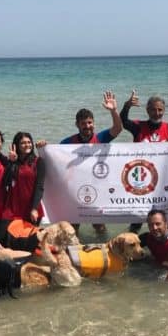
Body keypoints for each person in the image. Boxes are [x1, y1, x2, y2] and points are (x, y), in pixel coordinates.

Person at [60, 91, 122, 234]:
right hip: (75, 189)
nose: (87, 126)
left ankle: (104, 249)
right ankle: (73, 250)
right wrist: (43, 147)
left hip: (97, 187)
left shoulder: (101, 138)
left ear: (93, 123)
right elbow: (55, 159)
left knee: (99, 226)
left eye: (89, 122)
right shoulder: (67, 143)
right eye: (83, 123)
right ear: (77, 125)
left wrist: (113, 111)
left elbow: (118, 129)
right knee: (73, 227)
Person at [120, 90, 168, 233]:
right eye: (153, 109)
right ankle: (130, 248)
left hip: (163, 182)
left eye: (160, 110)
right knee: (137, 220)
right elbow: (123, 121)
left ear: (164, 110)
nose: (156, 113)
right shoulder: (138, 126)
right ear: (147, 110)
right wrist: (127, 106)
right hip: (142, 181)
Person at [4, 132, 45, 224]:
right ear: (17, 146)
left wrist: (34, 209)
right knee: (3, 237)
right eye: (23, 143)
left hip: (31, 208)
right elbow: (5, 182)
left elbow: (39, 187)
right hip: (13, 208)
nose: (27, 145)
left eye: (29, 142)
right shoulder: (11, 161)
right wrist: (12, 162)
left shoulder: (38, 161)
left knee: (29, 238)